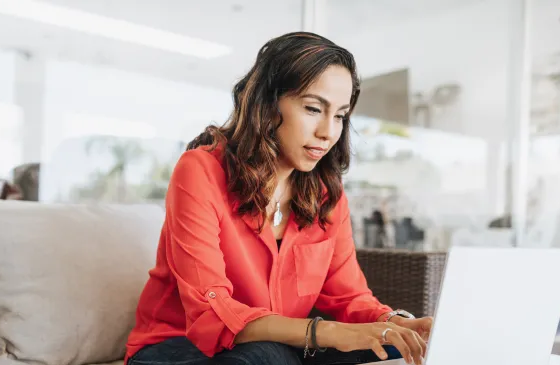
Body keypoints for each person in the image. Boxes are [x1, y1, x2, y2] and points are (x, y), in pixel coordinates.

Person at [124, 32, 433, 365]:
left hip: (281, 346)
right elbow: (210, 311)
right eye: (314, 109)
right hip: (179, 348)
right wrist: (324, 333)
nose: (328, 131)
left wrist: (395, 323)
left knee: (393, 346)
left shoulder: (327, 196)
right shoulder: (200, 170)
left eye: (340, 115)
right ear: (268, 105)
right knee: (268, 356)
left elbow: (348, 297)